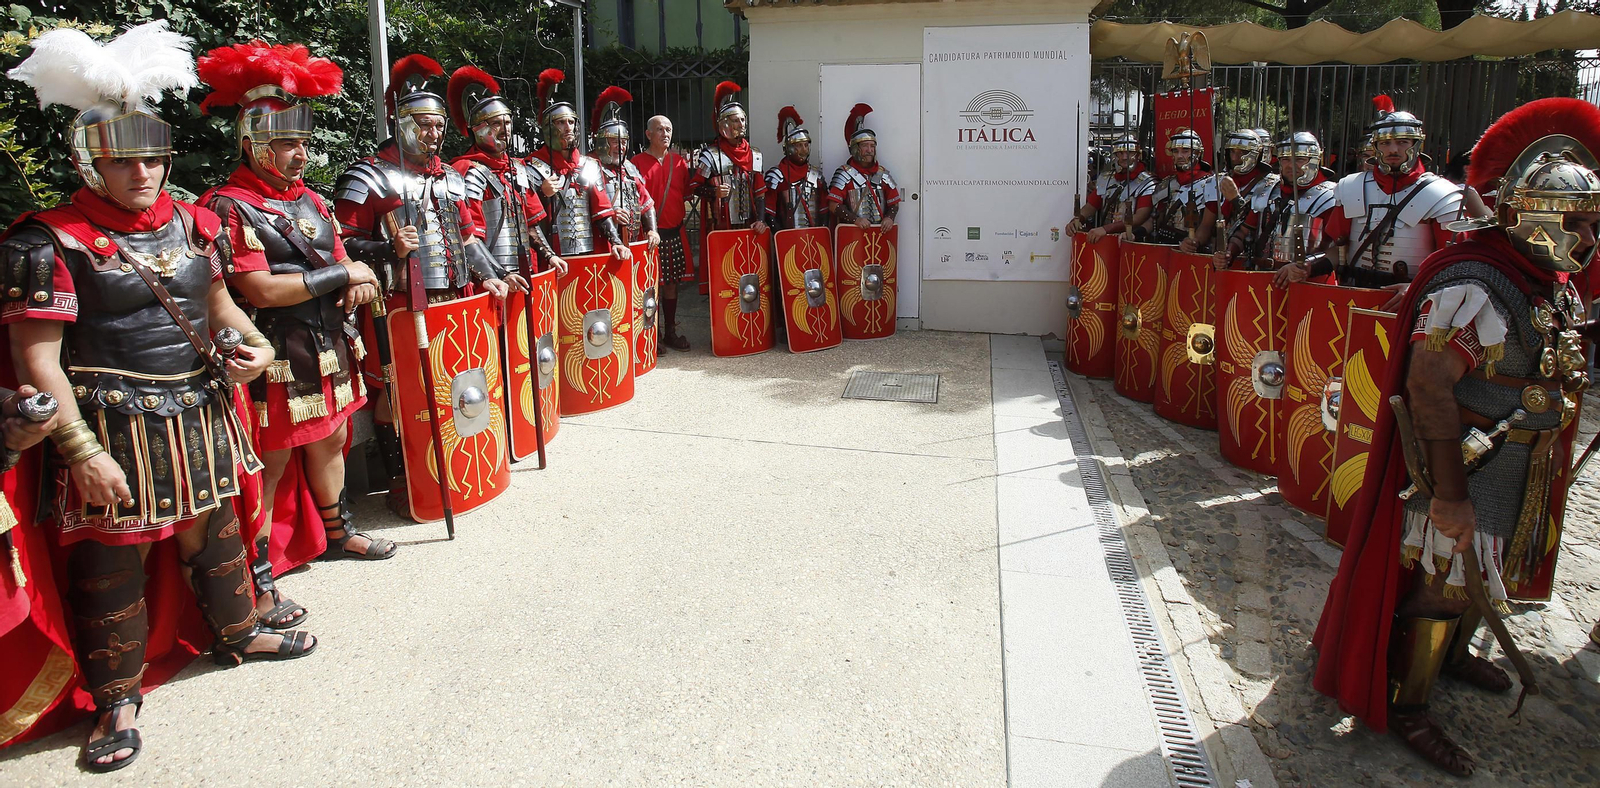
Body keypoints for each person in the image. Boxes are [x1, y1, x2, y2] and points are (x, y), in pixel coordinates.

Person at [4, 21, 316, 771]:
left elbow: (221, 311)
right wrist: (78, 451)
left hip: (201, 407)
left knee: (214, 528)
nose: (143, 173)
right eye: (124, 160)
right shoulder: (46, 242)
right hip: (111, 424)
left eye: (152, 157)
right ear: (88, 160)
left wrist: (259, 346)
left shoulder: (195, 223)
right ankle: (116, 696)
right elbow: (34, 357)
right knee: (111, 559)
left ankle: (237, 631)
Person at [1313, 97, 1600, 778]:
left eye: (1593, 223)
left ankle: (1455, 655)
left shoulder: (1543, 278)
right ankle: (1408, 703)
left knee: (1486, 578)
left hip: (1516, 460)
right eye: (1579, 223)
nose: (1589, 238)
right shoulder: (1478, 279)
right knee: (1444, 582)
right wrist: (1447, 494)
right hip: (1467, 461)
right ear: (1536, 216)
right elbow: (1431, 384)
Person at [196, 42, 396, 598]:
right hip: (273, 349)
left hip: (329, 340)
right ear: (255, 144)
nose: (300, 154)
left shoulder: (312, 201)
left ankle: (338, 532)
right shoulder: (228, 205)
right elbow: (257, 287)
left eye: (303, 142)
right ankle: (257, 571)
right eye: (286, 143)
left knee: (330, 440)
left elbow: (336, 258)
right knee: (272, 459)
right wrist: (344, 274)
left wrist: (354, 275)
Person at [333, 54, 518, 306]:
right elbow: (343, 245)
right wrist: (389, 248)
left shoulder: (449, 176)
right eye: (424, 124)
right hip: (400, 300)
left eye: (440, 126)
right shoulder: (369, 176)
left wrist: (487, 276)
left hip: (456, 299)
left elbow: (466, 238)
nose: (434, 134)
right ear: (401, 125)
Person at [1282, 96, 1462, 310]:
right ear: (1376, 146)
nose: (1393, 150)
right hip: (1355, 298)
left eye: (1402, 142)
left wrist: (1416, 289)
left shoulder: (1442, 195)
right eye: (1385, 143)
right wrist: (1308, 267)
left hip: (1414, 303)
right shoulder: (1351, 187)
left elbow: (1453, 265)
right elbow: (1340, 252)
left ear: (1416, 144)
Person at [447, 65, 567, 277]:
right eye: (496, 123)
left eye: (508, 122)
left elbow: (531, 223)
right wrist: (500, 274)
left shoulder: (518, 169)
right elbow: (470, 238)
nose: (506, 129)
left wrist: (550, 255)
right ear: (477, 129)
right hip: (489, 277)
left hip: (524, 270)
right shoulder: (466, 171)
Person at [528, 68, 631, 262]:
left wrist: (616, 242)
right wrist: (543, 194)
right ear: (549, 128)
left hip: (588, 251)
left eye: (571, 122)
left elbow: (602, 211)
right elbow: (529, 219)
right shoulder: (532, 166)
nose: (568, 127)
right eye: (561, 123)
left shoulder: (589, 165)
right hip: (552, 254)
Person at [1214, 132, 1336, 274]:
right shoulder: (1267, 189)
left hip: (1309, 283)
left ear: (1315, 160)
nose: (1291, 165)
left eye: (1300, 159)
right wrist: (1229, 253)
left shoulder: (1330, 196)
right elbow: (1244, 233)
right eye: (1285, 159)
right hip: (1262, 277)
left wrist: (1308, 268)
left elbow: (1338, 251)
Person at [632, 116, 692, 351]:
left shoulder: (679, 163)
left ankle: (670, 332)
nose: (665, 134)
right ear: (648, 134)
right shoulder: (635, 163)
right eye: (660, 130)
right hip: (648, 236)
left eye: (669, 129)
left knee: (671, 285)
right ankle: (650, 334)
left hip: (673, 233)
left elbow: (685, 193)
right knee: (649, 285)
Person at [693, 81, 768, 236]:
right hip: (720, 226)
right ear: (725, 124)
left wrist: (760, 220)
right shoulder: (711, 155)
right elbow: (695, 186)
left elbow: (759, 193)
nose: (740, 124)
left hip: (750, 224)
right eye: (735, 120)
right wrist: (714, 192)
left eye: (742, 119)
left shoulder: (754, 154)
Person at [590, 87, 660, 250]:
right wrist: (611, 215)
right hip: (601, 245)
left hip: (632, 244)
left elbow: (646, 204)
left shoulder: (629, 168)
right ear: (603, 142)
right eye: (615, 141)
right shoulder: (589, 166)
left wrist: (652, 230)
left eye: (623, 142)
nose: (620, 147)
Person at [1065, 135, 1155, 242]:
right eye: (1120, 153)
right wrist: (1076, 221)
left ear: (1138, 155)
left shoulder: (1148, 182)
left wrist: (1105, 229)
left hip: (1132, 241)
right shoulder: (1106, 178)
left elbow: (1140, 217)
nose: (1124, 157)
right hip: (1105, 239)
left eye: (1130, 153)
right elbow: (1090, 206)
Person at [828, 103, 899, 232]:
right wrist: (855, 220)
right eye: (865, 146)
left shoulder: (882, 174)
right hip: (854, 234)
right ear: (856, 149)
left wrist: (889, 218)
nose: (869, 150)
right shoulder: (844, 174)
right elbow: (833, 205)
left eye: (872, 146)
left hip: (880, 234)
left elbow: (894, 202)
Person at [1147, 127, 1218, 251]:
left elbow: (1208, 226)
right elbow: (1156, 219)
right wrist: (1135, 233)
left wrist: (1193, 242)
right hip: (1165, 247)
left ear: (1198, 153)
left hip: (1195, 250)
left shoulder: (1211, 183)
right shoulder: (1167, 183)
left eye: (1185, 151)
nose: (1179, 156)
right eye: (1175, 151)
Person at [1212, 129, 1279, 256]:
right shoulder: (1217, 181)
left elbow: (1254, 227)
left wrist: (1236, 200)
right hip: (1220, 255)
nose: (1235, 157)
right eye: (1232, 151)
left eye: (1242, 152)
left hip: (1252, 256)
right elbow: (1207, 225)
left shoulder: (1271, 185)